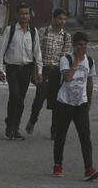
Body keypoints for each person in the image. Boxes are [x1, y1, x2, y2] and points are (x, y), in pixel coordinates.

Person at [52, 31, 98, 181]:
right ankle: (58, 164)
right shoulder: (66, 59)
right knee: (61, 135)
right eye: (80, 45)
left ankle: (89, 168)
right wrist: (76, 62)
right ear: (74, 46)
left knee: (85, 136)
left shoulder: (90, 61)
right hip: (64, 103)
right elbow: (67, 78)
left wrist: (89, 101)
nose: (83, 48)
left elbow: (90, 82)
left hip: (81, 104)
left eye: (85, 45)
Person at [0, 2, 42, 140]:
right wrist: (0, 70)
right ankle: (10, 126)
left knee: (21, 100)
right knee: (15, 96)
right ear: (17, 15)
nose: (24, 16)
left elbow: (37, 53)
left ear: (30, 15)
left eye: (26, 13)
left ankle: (14, 127)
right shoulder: (9, 30)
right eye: (21, 13)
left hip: (27, 70)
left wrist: (39, 71)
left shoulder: (33, 32)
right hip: (12, 69)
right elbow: (1, 51)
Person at [27, 8, 72, 138]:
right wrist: (35, 72)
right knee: (39, 98)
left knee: (56, 102)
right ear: (53, 18)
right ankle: (32, 120)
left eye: (64, 19)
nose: (62, 22)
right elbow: (37, 53)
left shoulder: (66, 37)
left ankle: (54, 130)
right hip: (44, 69)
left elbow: (65, 57)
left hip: (57, 72)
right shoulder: (43, 31)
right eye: (60, 19)